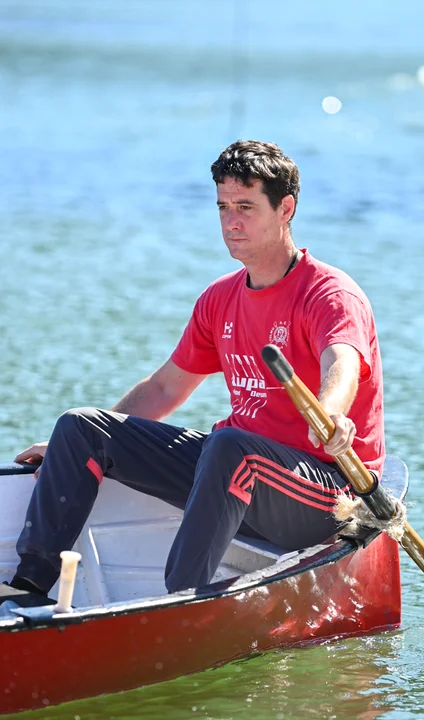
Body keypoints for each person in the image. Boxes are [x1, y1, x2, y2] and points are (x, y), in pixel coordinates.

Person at [11, 140, 385, 597]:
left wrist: (331, 413)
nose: (231, 222)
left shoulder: (329, 293)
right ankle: (27, 589)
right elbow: (165, 388)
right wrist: (63, 453)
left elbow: (342, 361)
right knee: (81, 427)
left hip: (327, 490)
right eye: (223, 207)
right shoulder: (220, 298)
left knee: (230, 448)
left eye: (245, 207)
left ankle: (181, 602)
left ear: (285, 208)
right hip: (238, 468)